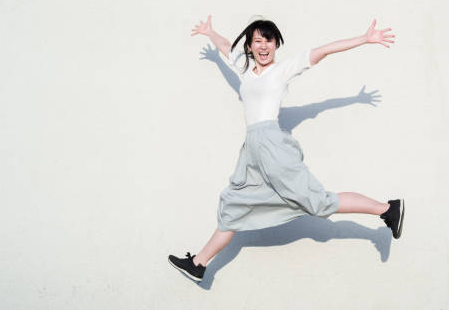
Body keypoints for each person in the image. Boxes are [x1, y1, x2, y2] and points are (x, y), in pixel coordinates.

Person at [168, 15, 405, 283]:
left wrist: (363, 39)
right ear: (249, 46)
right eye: (258, 40)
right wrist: (210, 32)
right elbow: (225, 46)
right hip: (251, 152)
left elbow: (323, 50)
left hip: (271, 146)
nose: (264, 45)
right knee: (233, 206)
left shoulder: (282, 70)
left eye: (269, 40)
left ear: (276, 44)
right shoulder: (244, 69)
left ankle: (386, 209)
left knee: (318, 202)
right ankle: (198, 263)